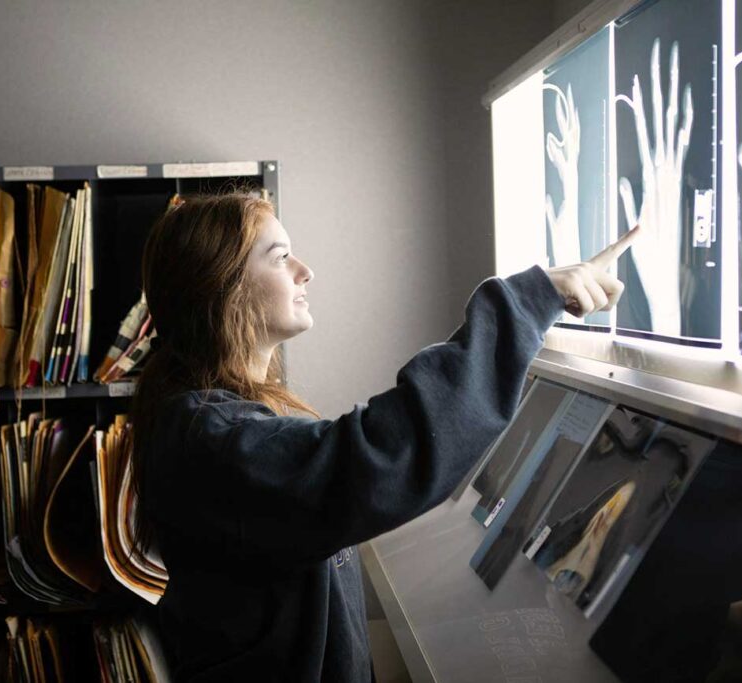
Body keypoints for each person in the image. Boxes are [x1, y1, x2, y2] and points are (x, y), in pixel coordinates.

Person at [130, 191, 637, 681]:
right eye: (280, 257)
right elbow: (381, 457)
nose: (305, 271)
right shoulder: (214, 441)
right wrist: (525, 301)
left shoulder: (206, 422)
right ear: (222, 286)